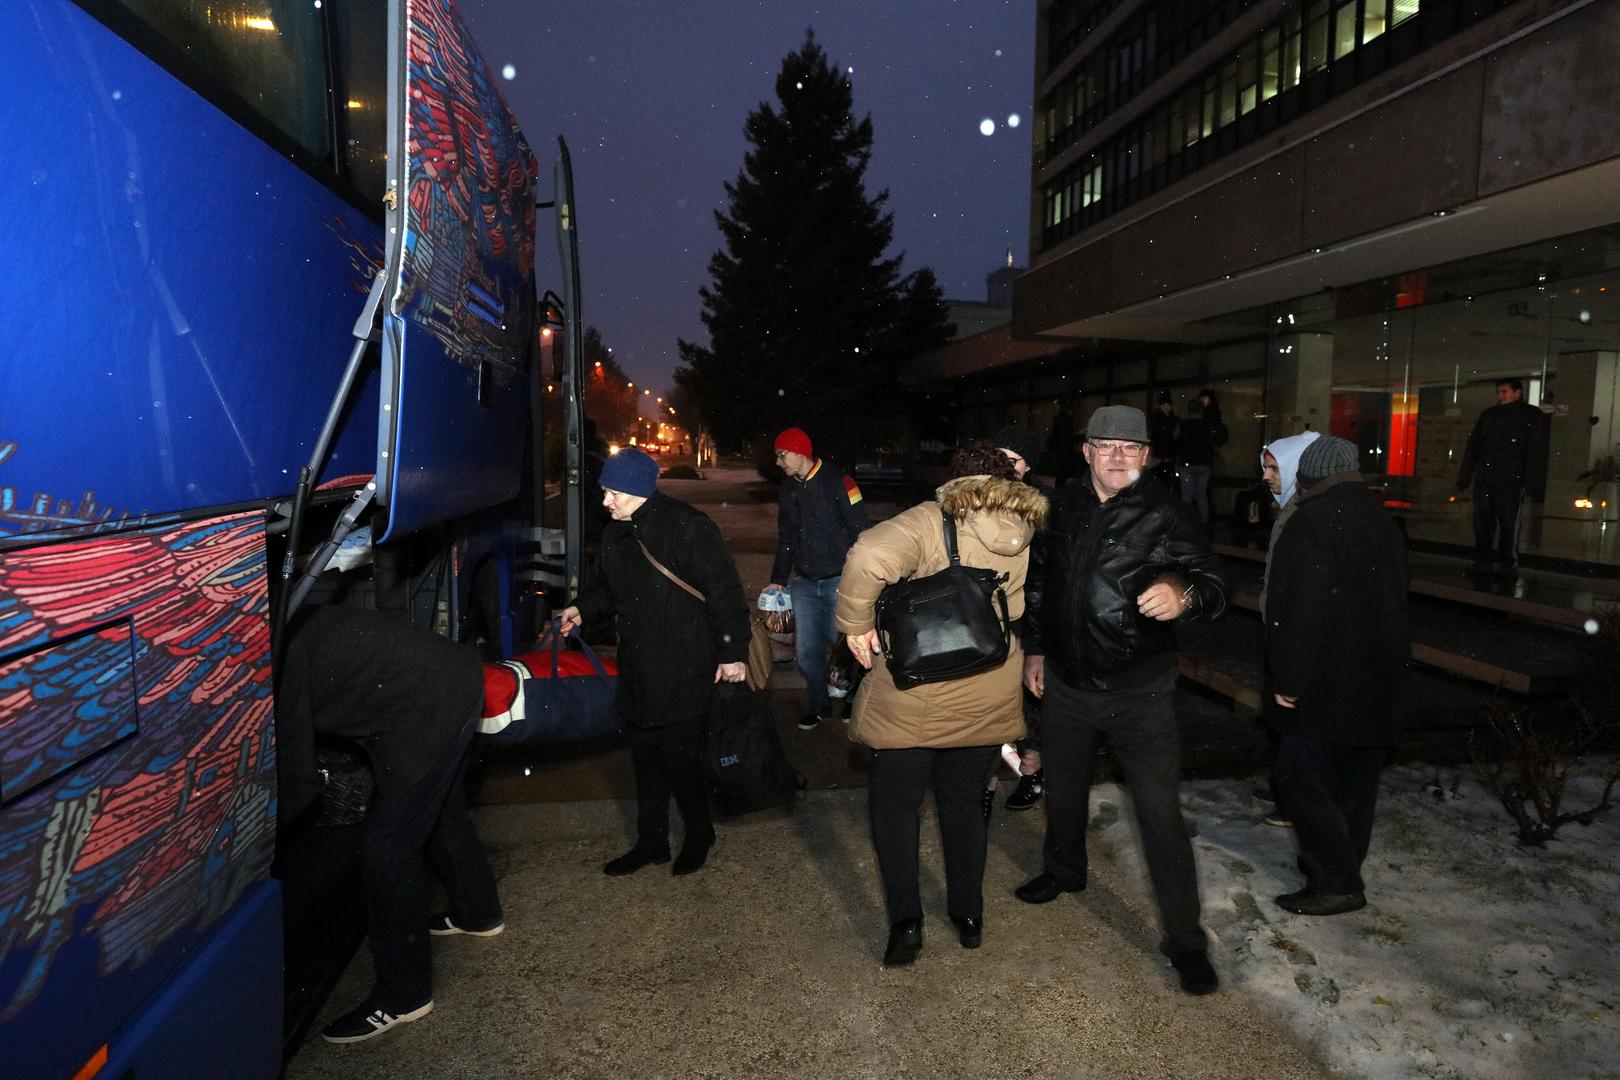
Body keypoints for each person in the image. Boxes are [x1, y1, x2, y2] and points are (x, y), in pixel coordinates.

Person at [1019, 404, 1228, 996]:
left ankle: (1185, 941)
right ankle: (1065, 871)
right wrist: (1035, 649)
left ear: (1146, 457)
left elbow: (1216, 584)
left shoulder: (1166, 512)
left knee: (1160, 817)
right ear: (1086, 451)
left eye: (1130, 448)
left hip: (1140, 692)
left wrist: (1182, 590)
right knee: (1062, 790)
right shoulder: (1060, 507)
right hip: (1065, 684)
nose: (1117, 457)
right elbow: (1040, 582)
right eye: (1106, 446)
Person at [836, 443, 1048, 965]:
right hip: (987, 686)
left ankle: (907, 922)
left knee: (896, 807)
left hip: (916, 691)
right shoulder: (1022, 525)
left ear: (954, 481)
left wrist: (855, 626)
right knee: (963, 804)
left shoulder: (933, 518)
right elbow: (1017, 604)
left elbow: (868, 554)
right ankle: (968, 914)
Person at [277, 605, 504, 1044]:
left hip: (427, 707)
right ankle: (479, 913)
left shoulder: (278, 656)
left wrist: (252, 845)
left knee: (387, 851)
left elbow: (299, 783)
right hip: (455, 679)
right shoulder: (285, 617)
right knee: (443, 812)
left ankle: (404, 997)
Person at [558, 448, 750, 877]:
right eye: (604, 492)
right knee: (645, 762)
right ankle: (652, 843)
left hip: (686, 664)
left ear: (638, 490)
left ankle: (699, 835)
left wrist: (733, 651)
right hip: (639, 666)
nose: (605, 501)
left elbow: (725, 593)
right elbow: (606, 589)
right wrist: (583, 609)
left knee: (682, 760)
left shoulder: (689, 527)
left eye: (613, 493)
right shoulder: (614, 534)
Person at [1266, 436, 1408, 916]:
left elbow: (1298, 611)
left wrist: (1288, 681)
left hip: (1325, 682)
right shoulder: (1381, 520)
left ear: (1308, 476)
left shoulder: (1311, 522)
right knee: (1356, 783)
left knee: (1302, 776)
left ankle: (1335, 881)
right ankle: (1343, 865)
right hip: (1377, 680)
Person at [767, 427, 868, 731]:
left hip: (840, 580)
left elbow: (859, 531)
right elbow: (786, 536)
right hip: (805, 583)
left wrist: (861, 577)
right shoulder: (788, 489)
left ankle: (853, 697)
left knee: (841, 646)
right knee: (807, 653)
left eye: (782, 455)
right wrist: (778, 578)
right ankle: (818, 704)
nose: (778, 462)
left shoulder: (839, 480)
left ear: (799, 452)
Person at [1253, 430, 1320, 827]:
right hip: (1279, 629)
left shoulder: (1302, 512)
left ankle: (1293, 797)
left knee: (1294, 721)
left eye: (1274, 467)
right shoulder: (1289, 506)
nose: (1266, 476)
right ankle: (1285, 788)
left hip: (1291, 634)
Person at [993, 424, 1051, 813]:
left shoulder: (1042, 506)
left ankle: (1033, 771)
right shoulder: (981, 498)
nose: (1003, 467)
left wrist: (1036, 640)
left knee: (1029, 703)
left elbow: (1045, 575)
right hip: (990, 616)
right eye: (997, 459)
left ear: (1027, 466)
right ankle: (987, 780)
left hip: (1026, 618)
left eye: (1011, 460)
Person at [1455, 377, 1549, 575]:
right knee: (1483, 521)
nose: (1500, 395)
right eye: (1499, 392)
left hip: (1510, 480)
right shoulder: (1490, 415)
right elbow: (1474, 447)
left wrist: (1532, 483)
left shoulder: (1530, 415)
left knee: (1508, 522)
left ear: (1517, 392)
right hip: (1488, 477)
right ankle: (1486, 559)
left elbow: (1535, 451)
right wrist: (1465, 476)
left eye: (1504, 391)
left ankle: (1506, 562)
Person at [1177, 388, 1226, 527]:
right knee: (1201, 494)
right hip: (1204, 464)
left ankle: (1185, 523)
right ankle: (1204, 523)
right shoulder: (1207, 424)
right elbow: (1215, 439)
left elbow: (1178, 442)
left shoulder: (1184, 424)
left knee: (1186, 495)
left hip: (1187, 463)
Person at [1147, 392, 1181, 493]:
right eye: (1164, 405)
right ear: (1159, 406)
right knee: (1156, 485)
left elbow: (1176, 439)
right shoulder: (1154, 420)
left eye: (1168, 405)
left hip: (1170, 458)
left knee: (1168, 485)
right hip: (1157, 457)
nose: (1166, 407)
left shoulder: (1175, 420)